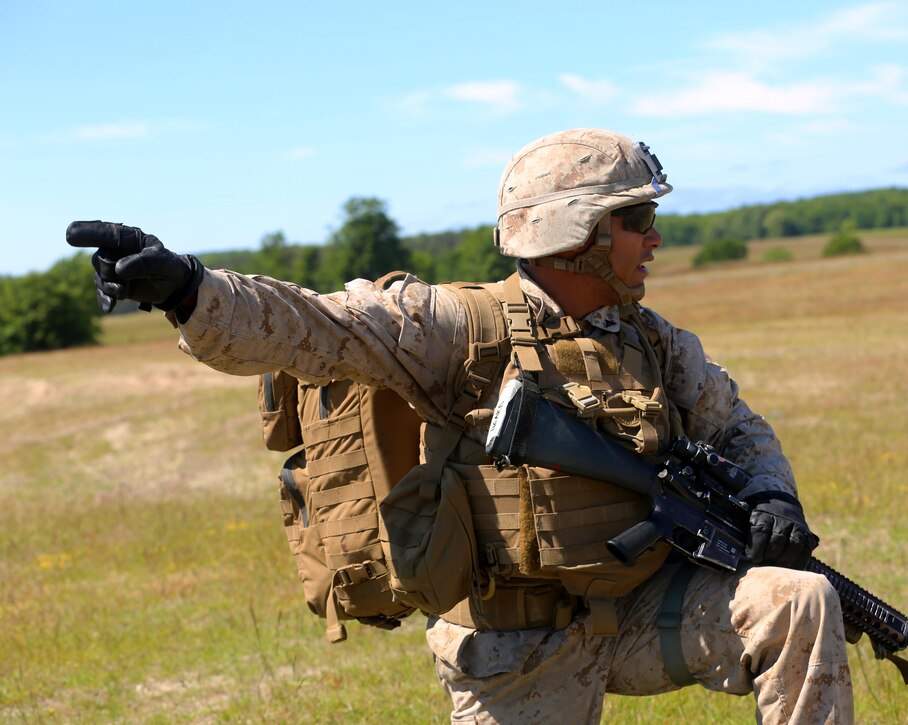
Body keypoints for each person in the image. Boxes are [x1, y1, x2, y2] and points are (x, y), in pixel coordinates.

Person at [67, 128, 853, 724]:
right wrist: (191, 291)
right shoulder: (456, 326)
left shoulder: (650, 339)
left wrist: (773, 498)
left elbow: (740, 428)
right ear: (574, 229)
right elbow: (316, 325)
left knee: (798, 598)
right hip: (514, 650)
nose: (654, 236)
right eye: (637, 217)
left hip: (641, 612)